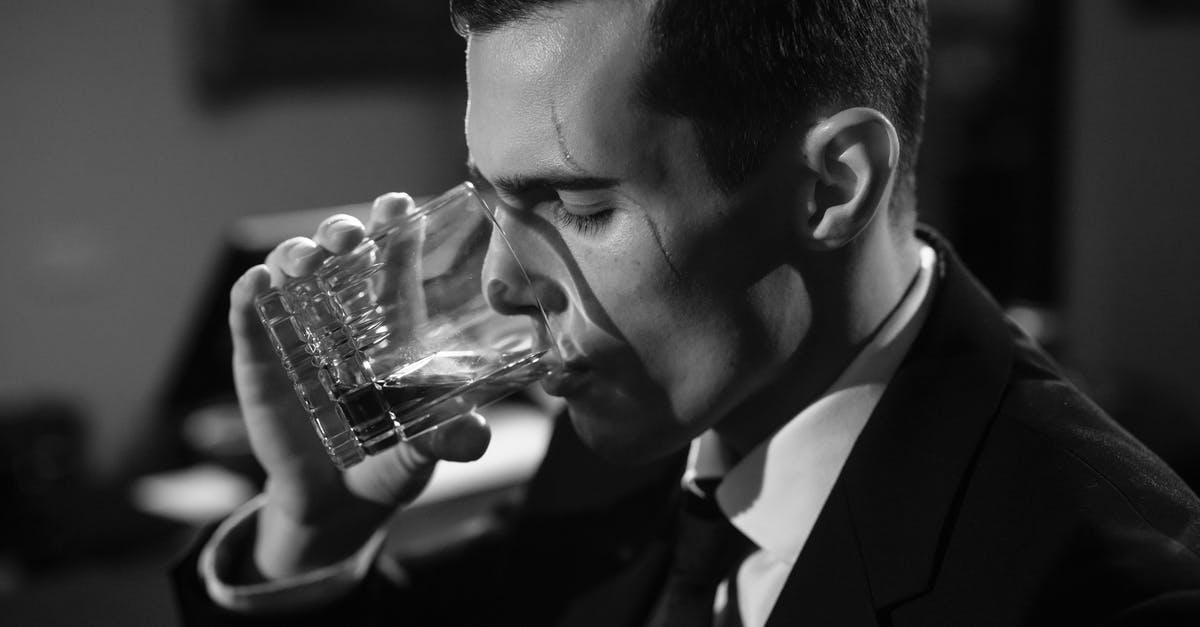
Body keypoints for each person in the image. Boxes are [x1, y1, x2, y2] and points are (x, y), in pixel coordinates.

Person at [173, 0, 1200, 624]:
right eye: (490, 200)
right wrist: (312, 533)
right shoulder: (633, 433)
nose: (497, 286)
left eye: (577, 206)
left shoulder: (1107, 593)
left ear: (832, 186)